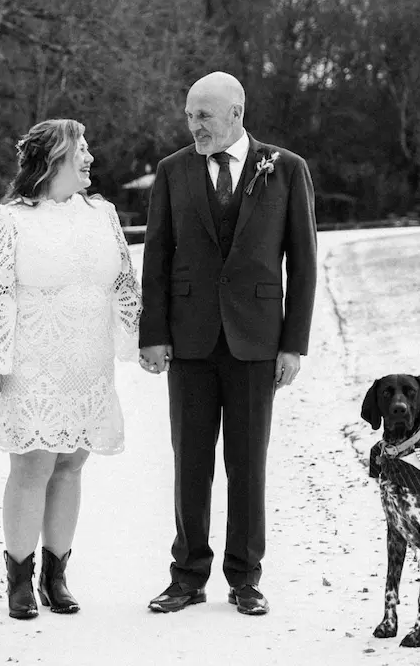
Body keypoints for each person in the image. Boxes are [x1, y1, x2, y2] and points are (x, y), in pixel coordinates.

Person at [139, 71, 318, 616]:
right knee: (189, 462)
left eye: (204, 116)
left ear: (237, 113)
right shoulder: (172, 172)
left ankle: (245, 578)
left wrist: (294, 345)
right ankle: (187, 576)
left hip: (256, 341)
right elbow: (157, 259)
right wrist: (154, 334)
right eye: (190, 115)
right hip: (189, 343)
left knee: (247, 464)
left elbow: (304, 264)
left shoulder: (286, 169)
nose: (195, 126)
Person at [0, 118, 141, 620]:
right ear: (52, 161)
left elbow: (125, 285)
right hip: (32, 364)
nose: (90, 158)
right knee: (34, 464)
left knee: (72, 463)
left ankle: (56, 575)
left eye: (89, 147)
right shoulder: (7, 220)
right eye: (80, 150)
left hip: (88, 364)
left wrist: (142, 345)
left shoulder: (103, 213)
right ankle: (18, 580)